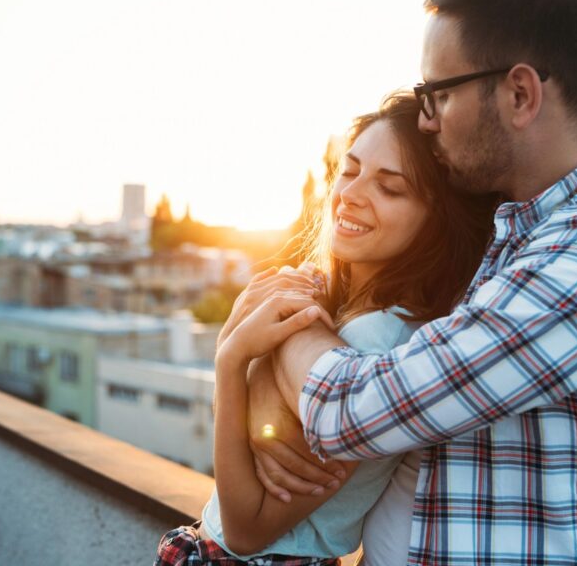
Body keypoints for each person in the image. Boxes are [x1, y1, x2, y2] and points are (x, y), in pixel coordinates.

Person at [239, 0, 577, 565]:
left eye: (440, 93)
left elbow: (352, 410)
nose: (425, 119)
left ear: (520, 94)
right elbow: (353, 283)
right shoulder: (509, 219)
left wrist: (280, 333)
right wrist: (264, 374)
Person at [155, 92, 497, 565]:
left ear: (435, 221)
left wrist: (232, 362)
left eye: (390, 187)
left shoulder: (378, 342)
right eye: (350, 170)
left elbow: (246, 526)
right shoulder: (336, 308)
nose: (350, 194)